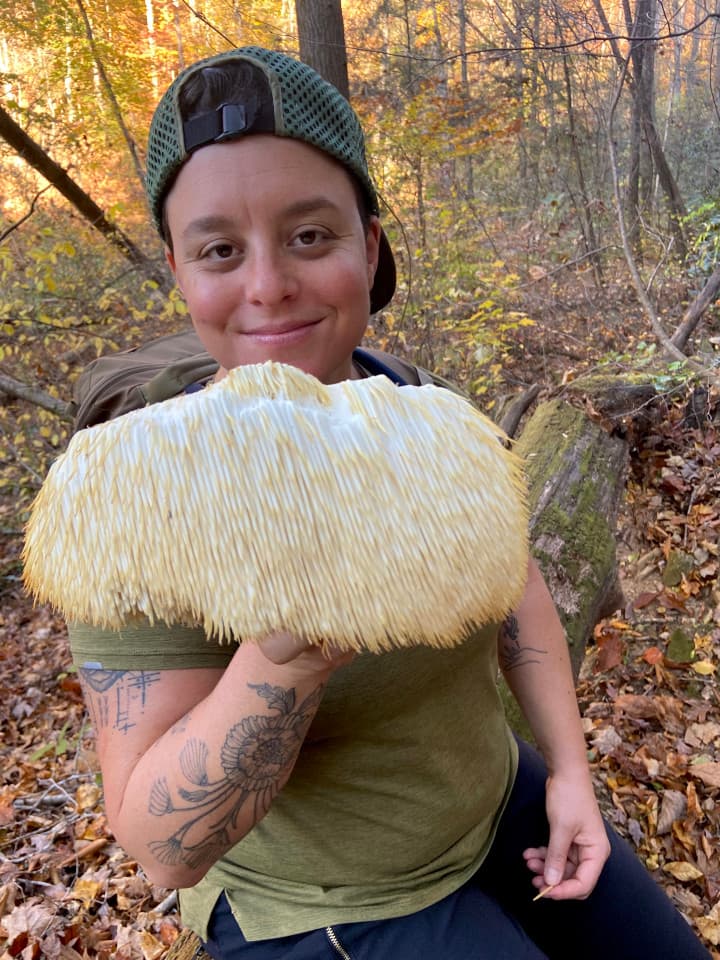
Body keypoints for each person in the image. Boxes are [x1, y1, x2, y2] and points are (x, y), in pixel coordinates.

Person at [67, 46, 711, 959]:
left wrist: (570, 773)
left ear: (367, 248)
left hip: (495, 807)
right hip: (329, 903)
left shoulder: (410, 403)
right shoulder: (137, 492)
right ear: (179, 269)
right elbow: (162, 847)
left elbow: (512, 576)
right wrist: (285, 655)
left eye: (310, 235)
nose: (267, 284)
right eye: (220, 250)